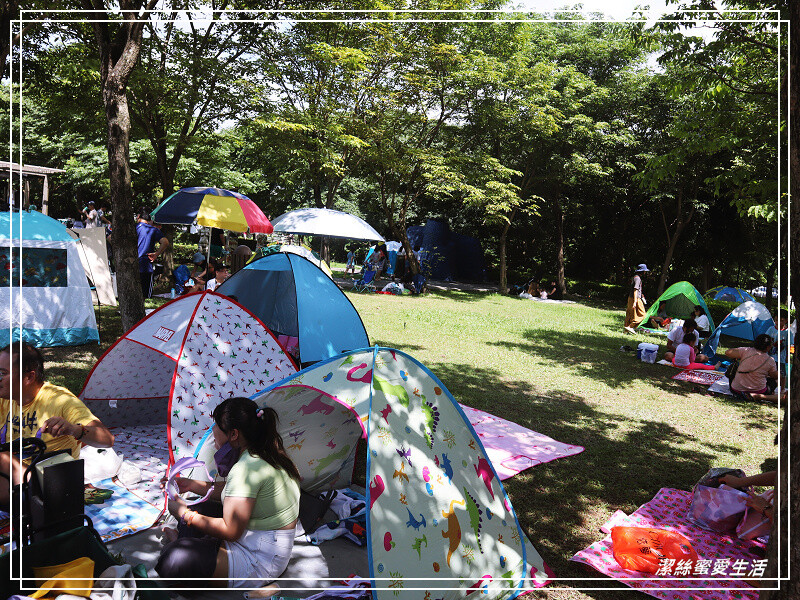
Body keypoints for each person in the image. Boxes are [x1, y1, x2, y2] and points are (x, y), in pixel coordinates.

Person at [156, 397, 301, 588]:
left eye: (216, 425)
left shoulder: (246, 468)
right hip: (267, 545)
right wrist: (190, 484)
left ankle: (180, 543)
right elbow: (236, 495)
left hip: (259, 560)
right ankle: (188, 541)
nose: (213, 431)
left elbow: (231, 531)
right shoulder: (267, 452)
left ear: (233, 434)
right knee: (200, 507)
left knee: (175, 559)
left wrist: (184, 514)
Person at [0, 343, 114, 506]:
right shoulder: (5, 400)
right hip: (16, 482)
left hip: (52, 487)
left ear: (29, 377)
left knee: (2, 459)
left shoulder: (59, 400)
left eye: (3, 373)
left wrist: (74, 429)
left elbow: (107, 439)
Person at [725, 333, 785, 404]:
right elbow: (775, 376)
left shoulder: (746, 350)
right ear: (768, 347)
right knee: (775, 381)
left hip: (736, 389)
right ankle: (763, 395)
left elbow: (728, 352)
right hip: (758, 391)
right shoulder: (770, 360)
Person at [137, 212, 169, 299]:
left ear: (138, 217)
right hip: (145, 264)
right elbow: (165, 242)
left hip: (130, 264)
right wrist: (156, 254)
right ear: (150, 220)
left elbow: (110, 237)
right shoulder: (153, 230)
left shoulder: (132, 229)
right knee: (144, 294)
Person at [624, 264, 649, 334]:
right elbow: (635, 290)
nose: (645, 273)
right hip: (636, 298)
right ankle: (630, 327)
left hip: (631, 298)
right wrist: (635, 301)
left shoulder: (635, 277)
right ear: (642, 271)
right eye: (644, 271)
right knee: (643, 315)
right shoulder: (638, 279)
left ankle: (626, 331)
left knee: (630, 315)